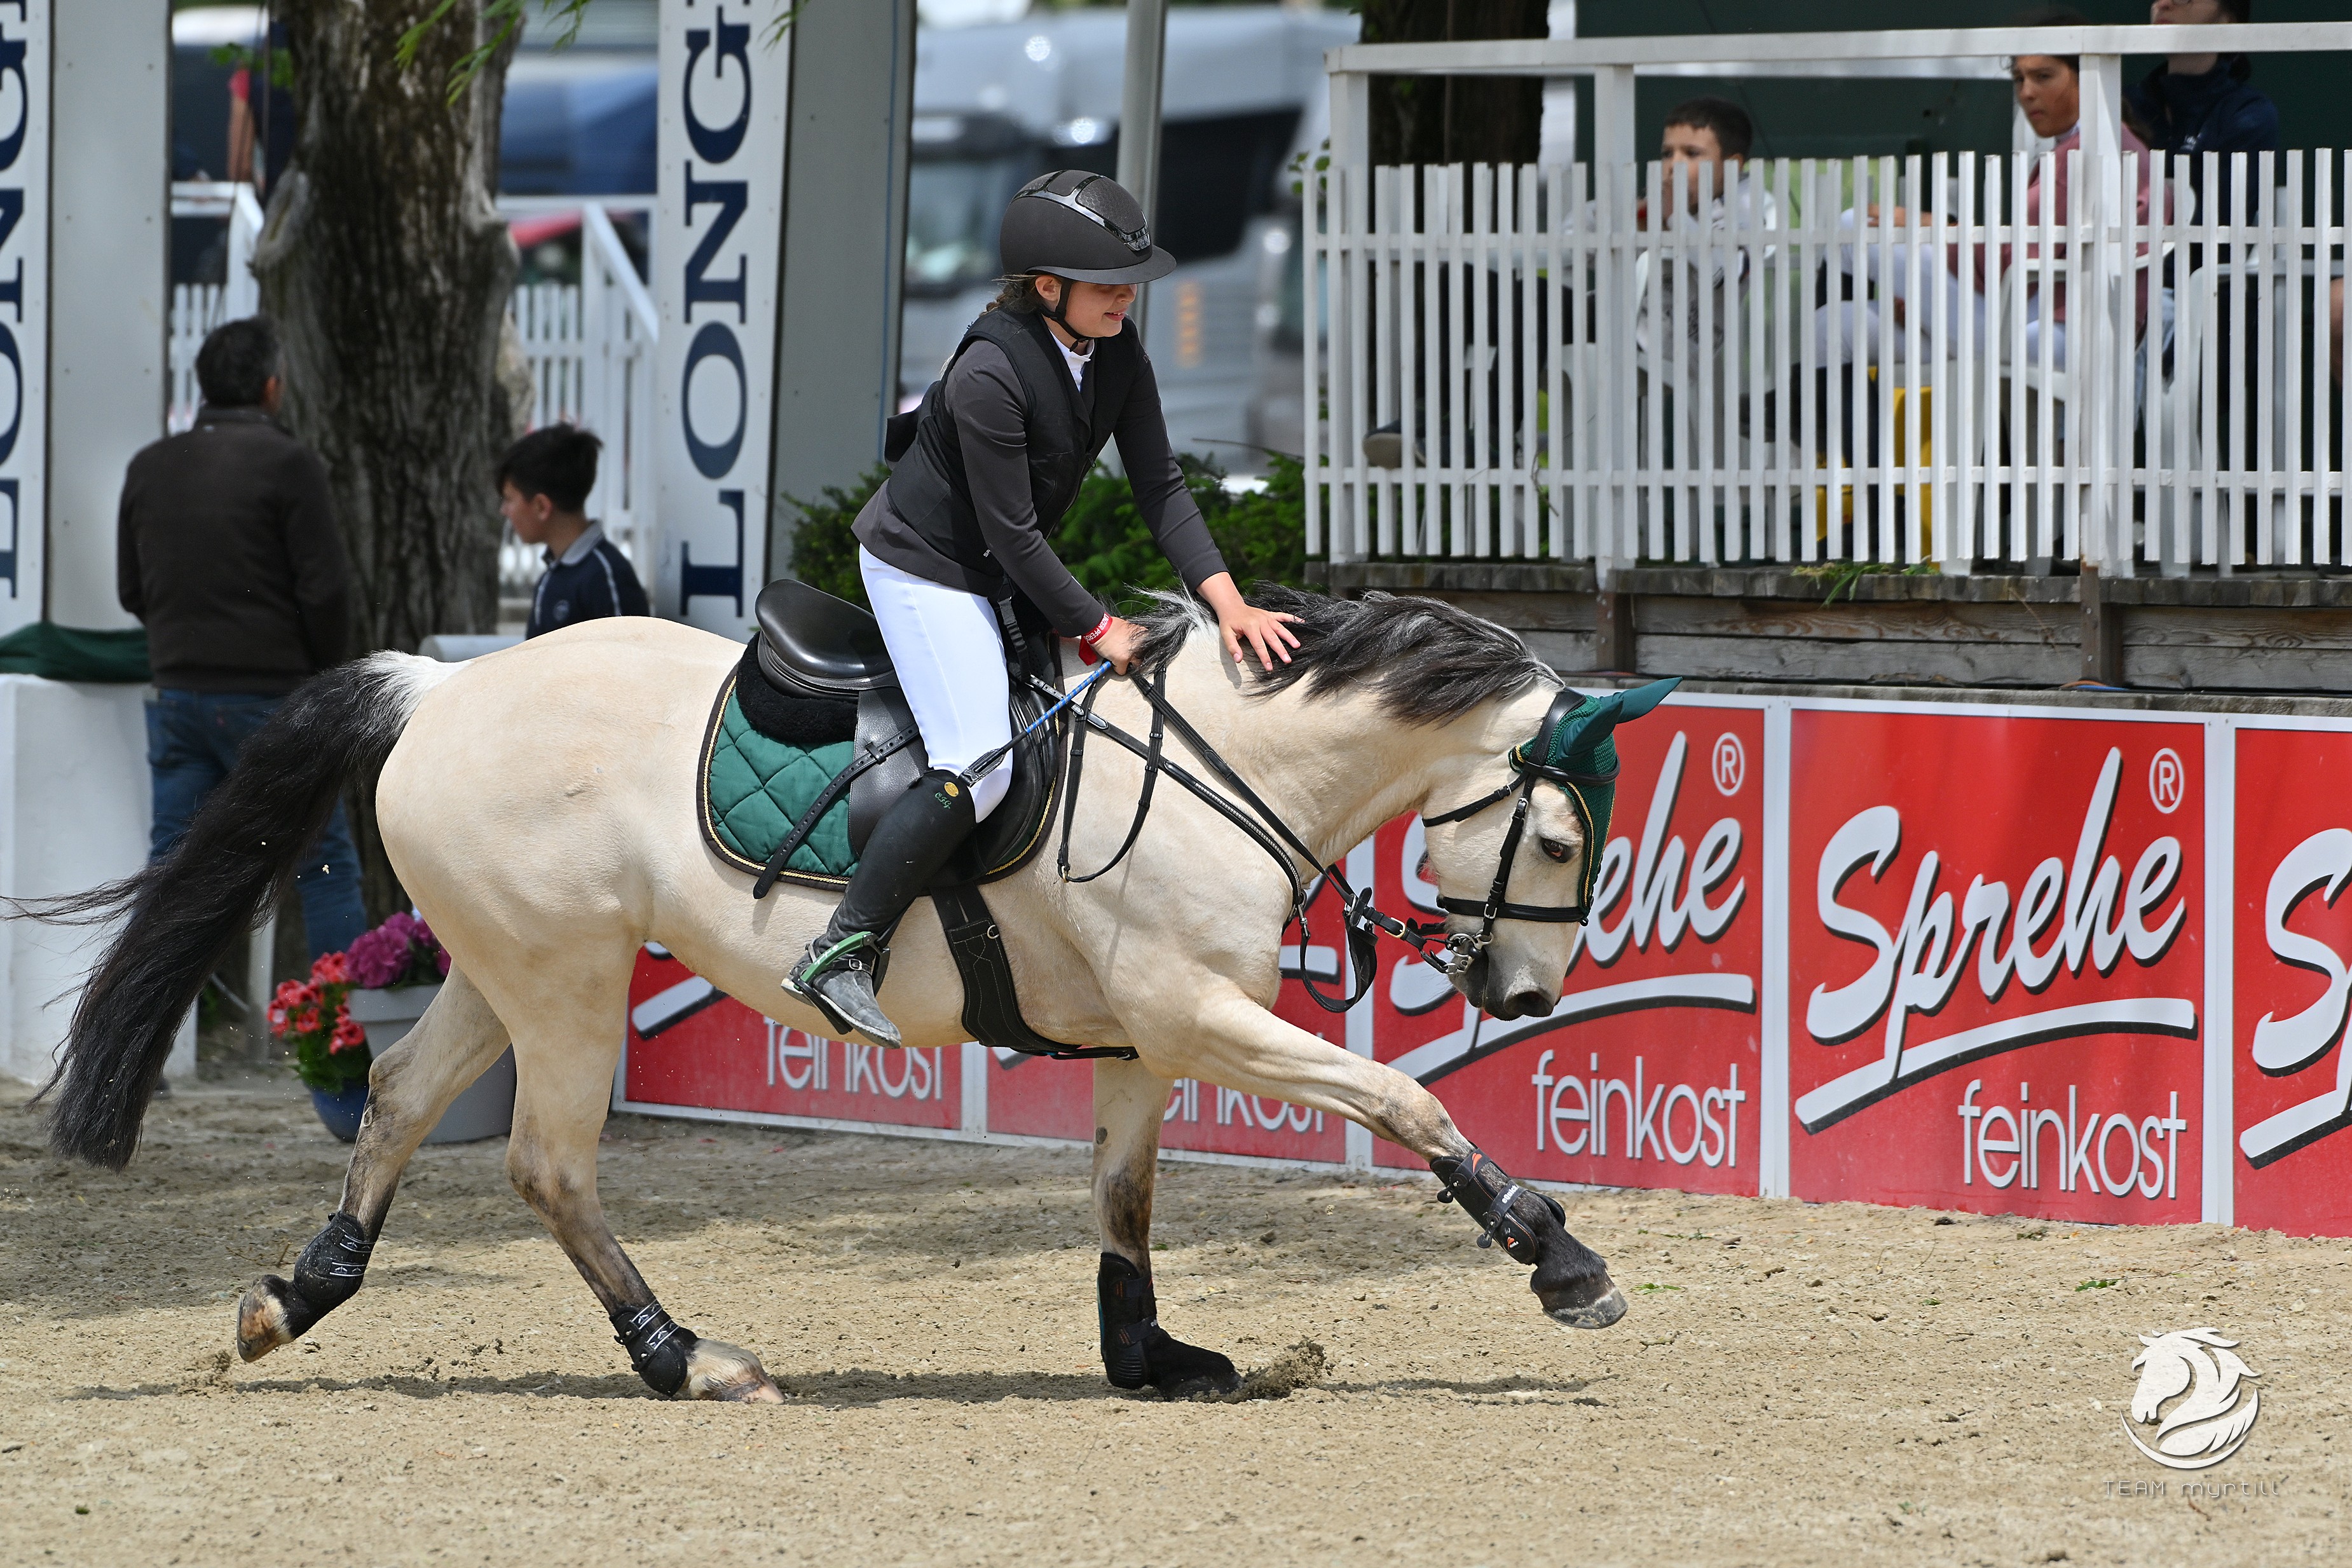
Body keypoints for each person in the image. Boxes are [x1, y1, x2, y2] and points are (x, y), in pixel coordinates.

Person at [787, 169, 1301, 1048]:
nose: (1124, 299)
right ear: (1046, 285)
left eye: (1130, 284)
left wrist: (1229, 604)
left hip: (992, 565)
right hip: (925, 570)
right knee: (980, 761)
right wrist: (1100, 627)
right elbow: (1016, 538)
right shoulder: (991, 370)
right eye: (1107, 283)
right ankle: (839, 950)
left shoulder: (1118, 354)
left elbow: (1161, 484)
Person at [116, 316, 366, 960]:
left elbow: (132, 590)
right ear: (272, 387)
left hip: (178, 699)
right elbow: (326, 592)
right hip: (273, 697)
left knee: (169, 876)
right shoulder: (289, 464)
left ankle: (124, 1051)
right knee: (326, 866)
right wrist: (321, 674)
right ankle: (348, 1049)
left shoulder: (149, 466)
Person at [1815, 9, 2163, 374]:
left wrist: (1939, 229)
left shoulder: (2081, 155)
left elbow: (2006, 263)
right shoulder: (2114, 145)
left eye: (2043, 76)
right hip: (2051, 323)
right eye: (2019, 79)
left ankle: (1810, 397)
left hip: (2045, 332)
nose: (2027, 93)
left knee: (1854, 226)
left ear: (2088, 77)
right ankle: (1822, 406)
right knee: (1835, 324)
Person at [2126, 0, 2278, 225]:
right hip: (2116, 257)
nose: (2164, 4)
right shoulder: (2125, 104)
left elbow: (2221, 224)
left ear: (2228, 20)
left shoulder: (2248, 113)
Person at [496, 425, 649, 638]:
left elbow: (629, 665)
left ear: (541, 506)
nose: (504, 511)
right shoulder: (549, 581)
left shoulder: (606, 577)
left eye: (510, 499)